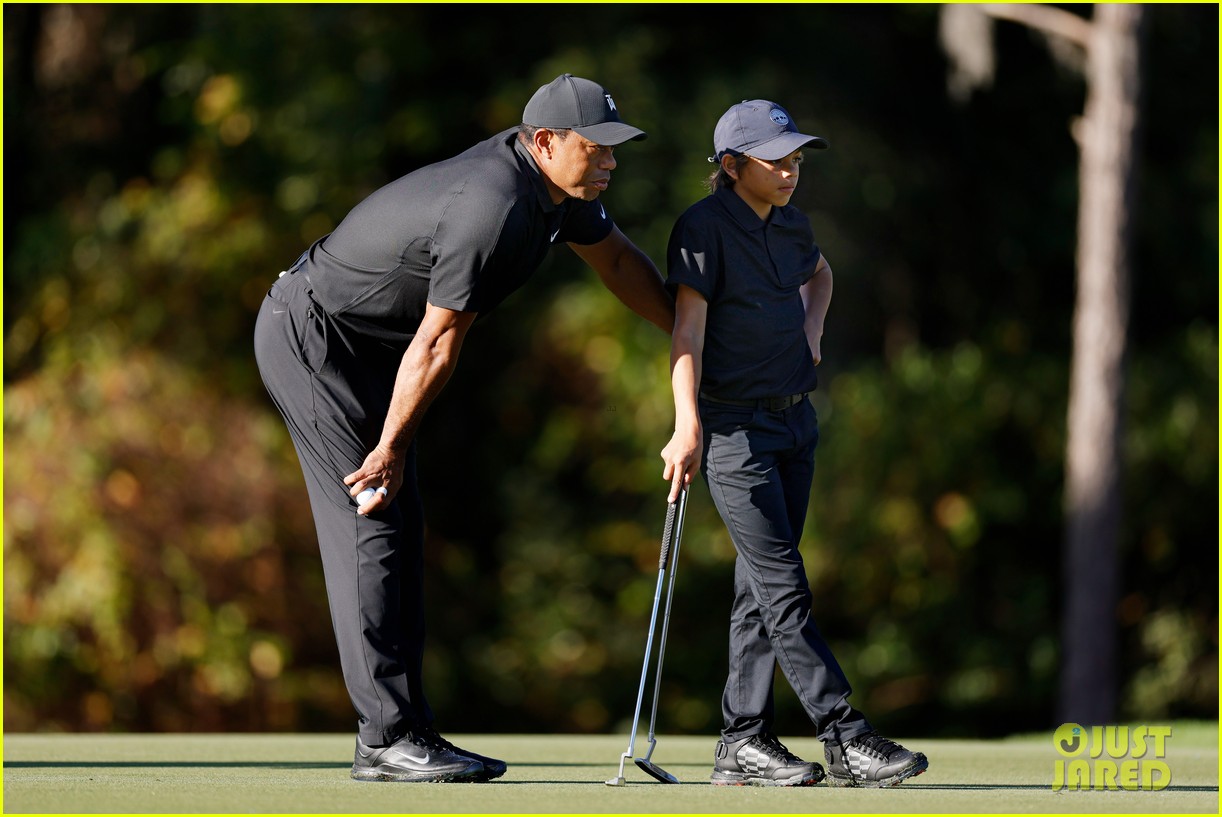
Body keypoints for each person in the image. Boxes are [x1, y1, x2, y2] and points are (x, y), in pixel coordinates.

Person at [254, 74, 674, 784]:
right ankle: (385, 738)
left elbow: (621, 264)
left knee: (399, 528)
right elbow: (440, 341)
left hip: (372, 349)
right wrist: (388, 448)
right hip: (314, 337)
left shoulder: (560, 197)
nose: (609, 161)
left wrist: (691, 336)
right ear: (545, 143)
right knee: (372, 518)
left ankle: (404, 730)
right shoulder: (495, 205)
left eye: (614, 148)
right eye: (595, 147)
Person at [659, 99, 928, 788]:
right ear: (731, 164)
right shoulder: (702, 228)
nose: (790, 169)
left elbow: (822, 275)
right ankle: (845, 734)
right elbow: (686, 332)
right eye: (774, 159)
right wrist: (685, 422)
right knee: (784, 585)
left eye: (795, 157)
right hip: (733, 431)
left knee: (760, 589)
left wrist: (812, 333)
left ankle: (742, 742)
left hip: (794, 423)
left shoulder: (794, 226)